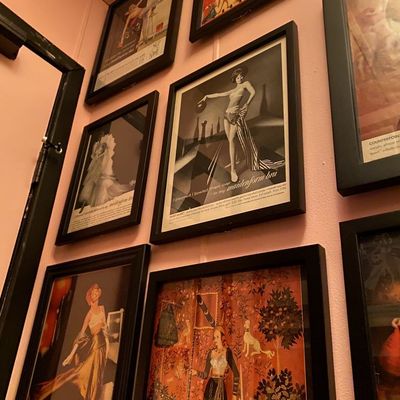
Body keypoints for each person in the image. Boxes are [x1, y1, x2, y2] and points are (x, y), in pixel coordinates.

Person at [198, 67, 284, 183]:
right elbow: (219, 94)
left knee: (231, 140)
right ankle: (236, 159)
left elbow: (253, 92)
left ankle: (233, 170)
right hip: (226, 116)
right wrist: (206, 96)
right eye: (238, 77)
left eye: (241, 76)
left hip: (235, 116)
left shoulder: (245, 84)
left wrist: (247, 104)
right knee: (230, 140)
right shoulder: (232, 90)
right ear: (235, 78)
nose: (240, 78)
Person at [32, 284, 109, 400]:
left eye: (97, 292)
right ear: (90, 297)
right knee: (81, 374)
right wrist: (70, 355)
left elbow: (105, 327)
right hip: (95, 345)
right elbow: (81, 335)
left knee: (98, 374)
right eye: (93, 293)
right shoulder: (89, 314)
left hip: (103, 344)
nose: (95, 294)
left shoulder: (102, 308)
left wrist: (107, 343)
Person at [78, 133, 134, 213]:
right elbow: (92, 168)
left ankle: (97, 209)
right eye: (100, 148)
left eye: (102, 148)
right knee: (90, 189)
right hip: (94, 178)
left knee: (103, 187)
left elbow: (106, 172)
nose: (99, 150)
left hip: (102, 178)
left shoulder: (107, 160)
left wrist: (101, 175)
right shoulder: (97, 159)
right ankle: (85, 208)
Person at [192, 326, 239, 400]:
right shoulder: (211, 353)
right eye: (214, 337)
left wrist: (234, 395)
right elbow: (205, 375)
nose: (215, 340)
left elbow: (236, 374)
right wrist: (196, 372)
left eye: (217, 337)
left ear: (222, 338)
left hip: (220, 386)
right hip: (210, 386)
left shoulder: (227, 352)